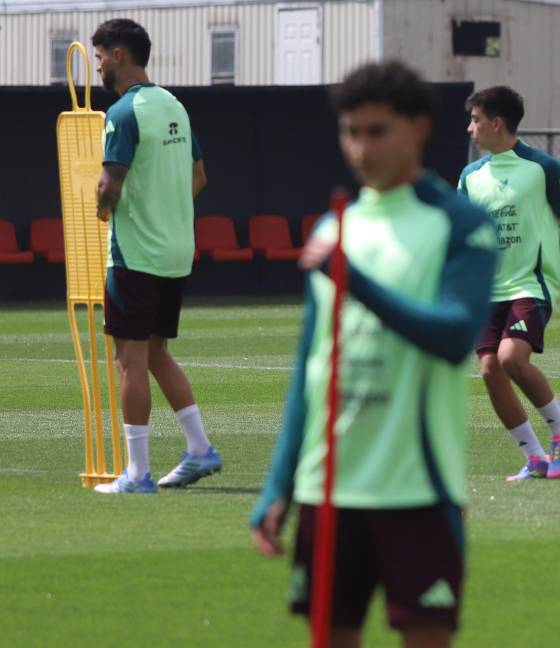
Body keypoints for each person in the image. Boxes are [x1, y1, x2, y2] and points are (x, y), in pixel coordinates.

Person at [250, 61, 497, 648]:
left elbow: (455, 334)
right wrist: (278, 483)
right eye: (350, 132)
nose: (361, 147)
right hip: (327, 491)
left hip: (417, 489)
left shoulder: (459, 225)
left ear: (417, 128)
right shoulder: (333, 230)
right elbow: (311, 369)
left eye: (377, 131)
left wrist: (356, 282)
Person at [459, 86, 560, 481]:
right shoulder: (469, 177)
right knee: (490, 369)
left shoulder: (542, 168)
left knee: (512, 358)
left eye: (475, 120)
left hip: (529, 284)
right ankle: (534, 456)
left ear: (497, 123)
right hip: (485, 291)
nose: (469, 129)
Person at [91, 19, 220, 494]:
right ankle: (200, 450)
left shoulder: (122, 113)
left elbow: (110, 186)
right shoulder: (176, 107)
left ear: (119, 55)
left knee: (130, 359)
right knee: (157, 352)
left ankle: (137, 474)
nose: (98, 64)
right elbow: (200, 175)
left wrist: (102, 210)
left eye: (100, 55)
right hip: (175, 251)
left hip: (137, 254)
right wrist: (169, 210)